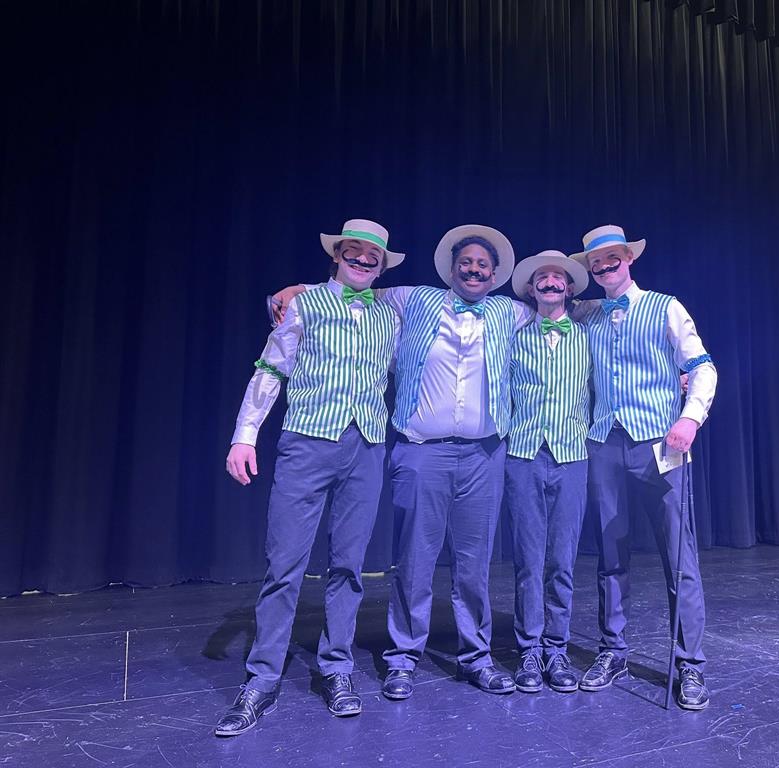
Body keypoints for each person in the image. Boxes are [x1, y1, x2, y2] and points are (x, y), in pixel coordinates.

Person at [269, 225, 535, 699]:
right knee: (414, 560)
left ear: (495, 275)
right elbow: (352, 288)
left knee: (474, 564)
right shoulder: (413, 298)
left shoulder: (511, 312)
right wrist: (293, 290)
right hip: (421, 452)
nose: (473, 269)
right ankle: (403, 658)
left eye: (482, 265)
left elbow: (569, 309)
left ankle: (476, 656)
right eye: (466, 262)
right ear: (452, 268)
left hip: (484, 454)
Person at [214, 219, 403, 736]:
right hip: (307, 444)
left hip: (365, 446)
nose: (363, 261)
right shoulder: (305, 303)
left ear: (382, 265)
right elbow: (271, 368)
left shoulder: (391, 311)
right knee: (285, 564)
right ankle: (262, 677)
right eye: (354, 253)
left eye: (373, 256)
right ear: (337, 256)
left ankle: (336, 668)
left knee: (349, 567)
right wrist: (244, 435)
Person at [570, 225, 717, 711]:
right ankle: (614, 651)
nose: (605, 266)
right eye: (596, 261)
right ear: (590, 268)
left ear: (628, 259)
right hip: (603, 444)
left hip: (661, 442)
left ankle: (690, 663)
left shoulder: (665, 306)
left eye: (613, 257)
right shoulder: (586, 314)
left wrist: (689, 418)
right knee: (610, 555)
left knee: (679, 556)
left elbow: (702, 367)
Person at [505, 251, 592, 693]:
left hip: (572, 456)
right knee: (528, 560)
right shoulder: (515, 334)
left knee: (561, 560)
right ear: (530, 288)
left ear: (570, 288)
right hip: (523, 455)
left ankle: (556, 649)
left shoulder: (588, 335)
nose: (552, 282)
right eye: (543, 277)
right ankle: (529, 650)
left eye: (559, 277)